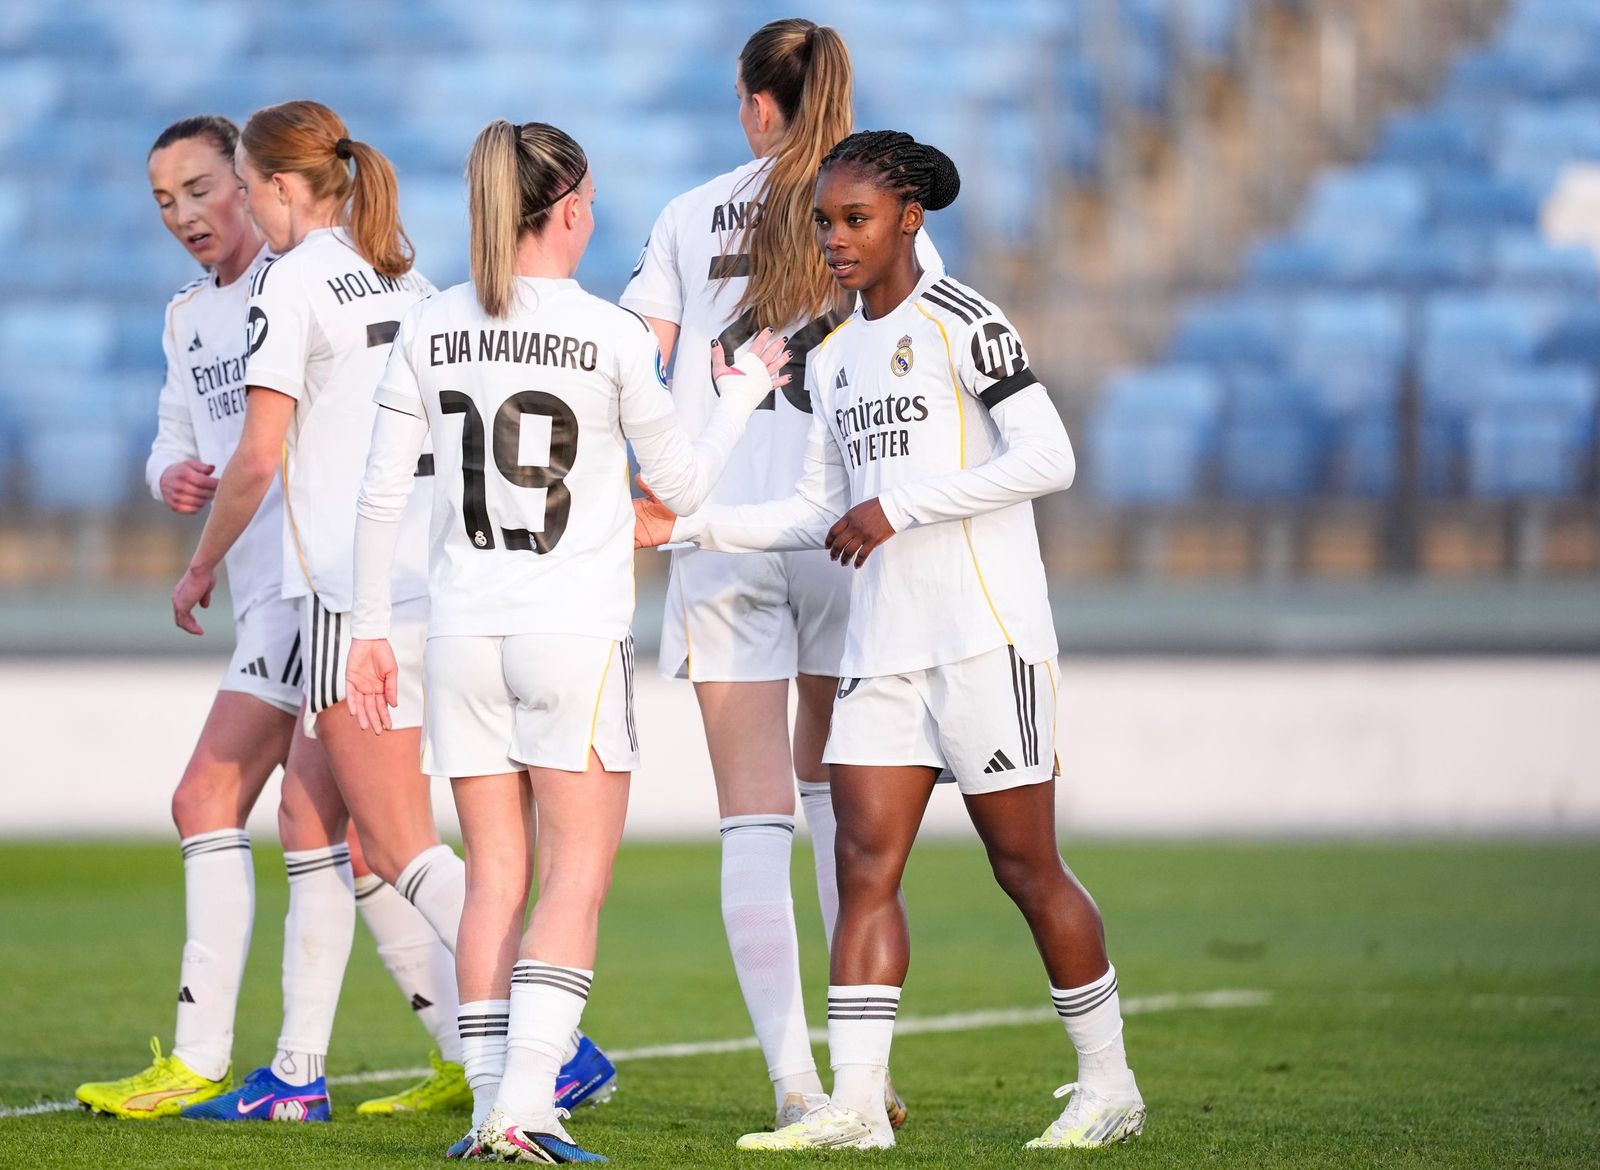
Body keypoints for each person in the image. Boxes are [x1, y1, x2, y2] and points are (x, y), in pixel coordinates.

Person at [635, 131, 1145, 1152]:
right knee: (864, 865)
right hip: (881, 652)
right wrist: (689, 525)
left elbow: (1051, 457)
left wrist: (901, 507)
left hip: (981, 639)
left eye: (853, 220)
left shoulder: (966, 320)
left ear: (909, 217)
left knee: (1025, 867)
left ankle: (1109, 1084)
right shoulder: (831, 355)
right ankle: (856, 1107)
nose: (832, 238)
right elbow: (813, 510)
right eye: (823, 221)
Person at [343, 119, 791, 1163]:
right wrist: (741, 396)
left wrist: (368, 631)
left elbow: (377, 492)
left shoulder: (433, 322)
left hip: (459, 632)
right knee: (572, 879)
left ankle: (496, 1107)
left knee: (492, 877)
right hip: (569, 632)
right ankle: (522, 1112)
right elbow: (678, 490)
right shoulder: (608, 331)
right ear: (575, 208)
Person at [75, 114, 464, 1121]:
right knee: (340, 832)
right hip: (311, 591)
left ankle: (242, 1065)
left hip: (321, 592)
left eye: (206, 188)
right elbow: (176, 436)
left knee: (231, 804)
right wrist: (170, 475)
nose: (192, 214)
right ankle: (475, 1044)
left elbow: (265, 455)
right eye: (166, 200)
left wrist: (196, 563)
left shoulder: (289, 285)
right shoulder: (213, 311)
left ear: (259, 186)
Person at [620, 17, 936, 1128]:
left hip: (719, 533)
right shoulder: (881, 212)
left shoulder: (687, 214)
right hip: (843, 534)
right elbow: (920, 372)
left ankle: (798, 1082)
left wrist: (661, 489)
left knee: (751, 817)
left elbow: (632, 370)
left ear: (757, 103)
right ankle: (866, 1075)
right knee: (840, 808)